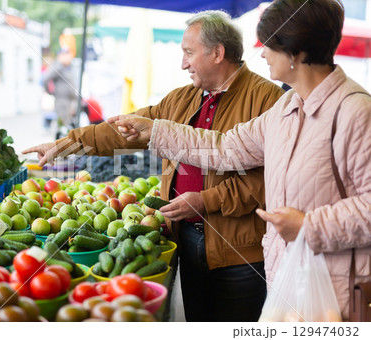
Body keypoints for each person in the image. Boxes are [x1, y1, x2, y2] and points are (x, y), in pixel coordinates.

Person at [108, 0, 371, 321]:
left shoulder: (356, 112)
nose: (261, 54)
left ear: (296, 51)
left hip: (336, 291)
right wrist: (157, 131)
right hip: (287, 280)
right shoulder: (288, 105)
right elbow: (227, 147)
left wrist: (307, 226)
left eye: (269, 45)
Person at [23, 10, 284, 321]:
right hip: (185, 238)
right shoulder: (180, 99)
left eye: (188, 53)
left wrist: (205, 201)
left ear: (218, 53)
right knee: (197, 322)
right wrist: (65, 145)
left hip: (239, 252)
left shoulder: (268, 100)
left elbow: (268, 182)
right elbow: (123, 131)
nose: (183, 63)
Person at [43, 50, 78, 136]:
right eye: (68, 55)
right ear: (61, 56)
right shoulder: (58, 66)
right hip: (62, 100)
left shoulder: (65, 67)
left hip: (68, 100)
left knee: (66, 123)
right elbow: (46, 79)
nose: (70, 58)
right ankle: (61, 145)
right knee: (62, 124)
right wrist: (51, 92)